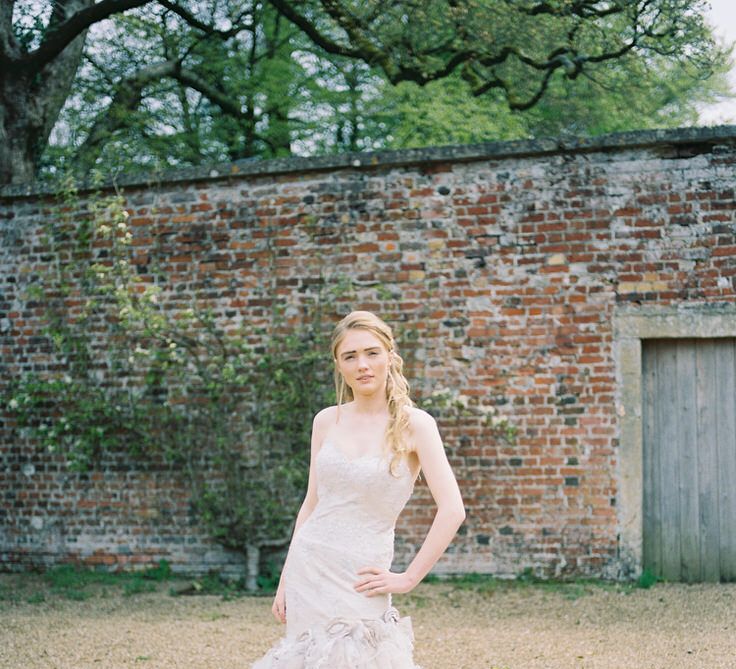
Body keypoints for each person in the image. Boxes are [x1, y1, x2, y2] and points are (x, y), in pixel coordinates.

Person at [251, 310, 466, 668]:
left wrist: (409, 578)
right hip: (310, 567)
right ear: (339, 365)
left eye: (372, 352)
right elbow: (312, 504)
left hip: (363, 577)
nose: (362, 364)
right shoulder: (326, 420)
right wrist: (286, 578)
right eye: (350, 356)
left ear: (389, 357)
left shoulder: (416, 425)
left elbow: (452, 509)